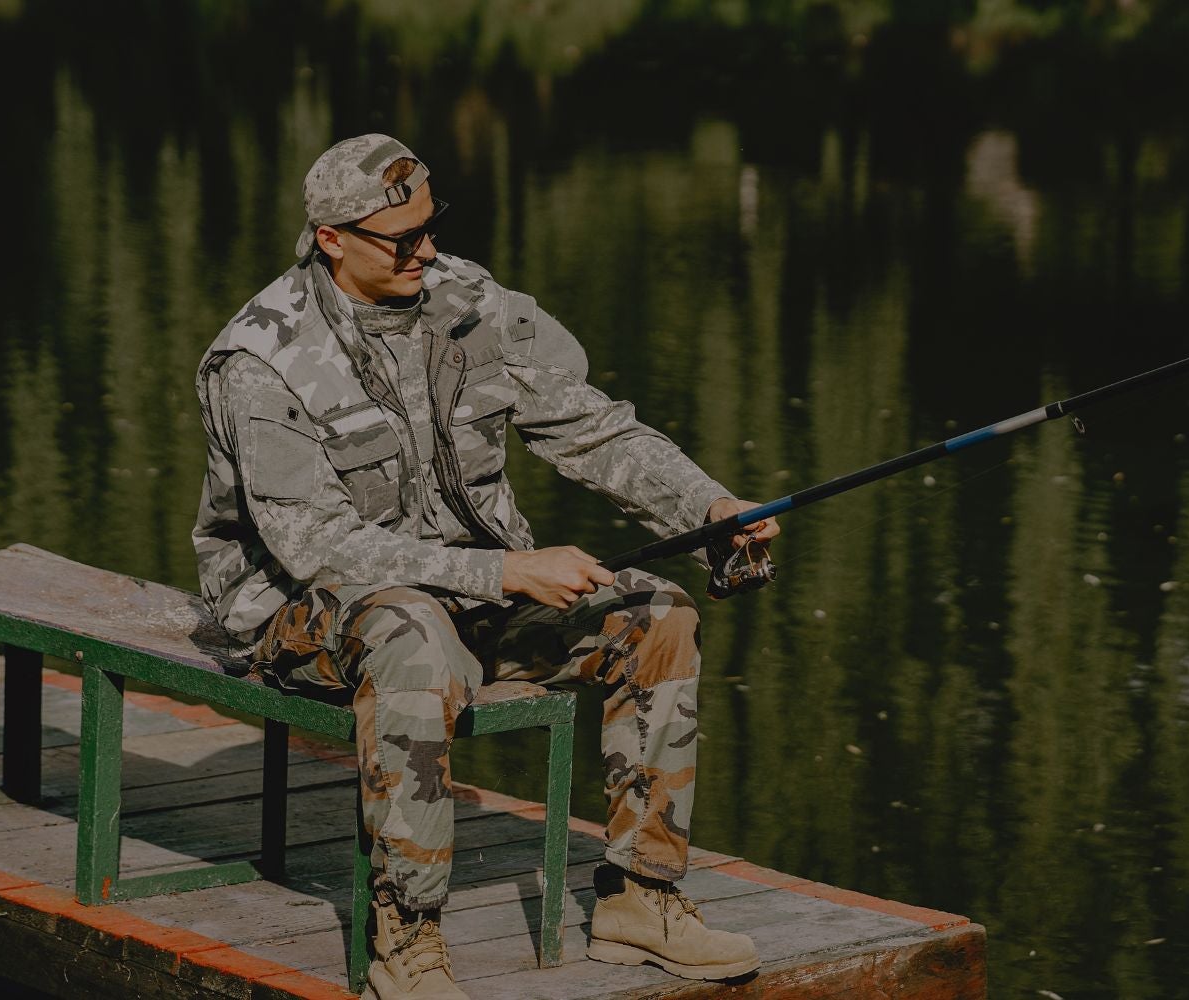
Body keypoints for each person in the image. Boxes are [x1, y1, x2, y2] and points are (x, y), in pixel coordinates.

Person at [191, 134, 778, 998]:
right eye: (402, 239)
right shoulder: (262, 359)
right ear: (331, 238)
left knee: (655, 614)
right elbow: (317, 547)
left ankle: (641, 899)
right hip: (300, 612)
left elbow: (591, 427)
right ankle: (407, 942)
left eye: (431, 228)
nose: (425, 251)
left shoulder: (465, 302)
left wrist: (708, 508)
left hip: (468, 591)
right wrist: (504, 576)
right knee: (410, 633)